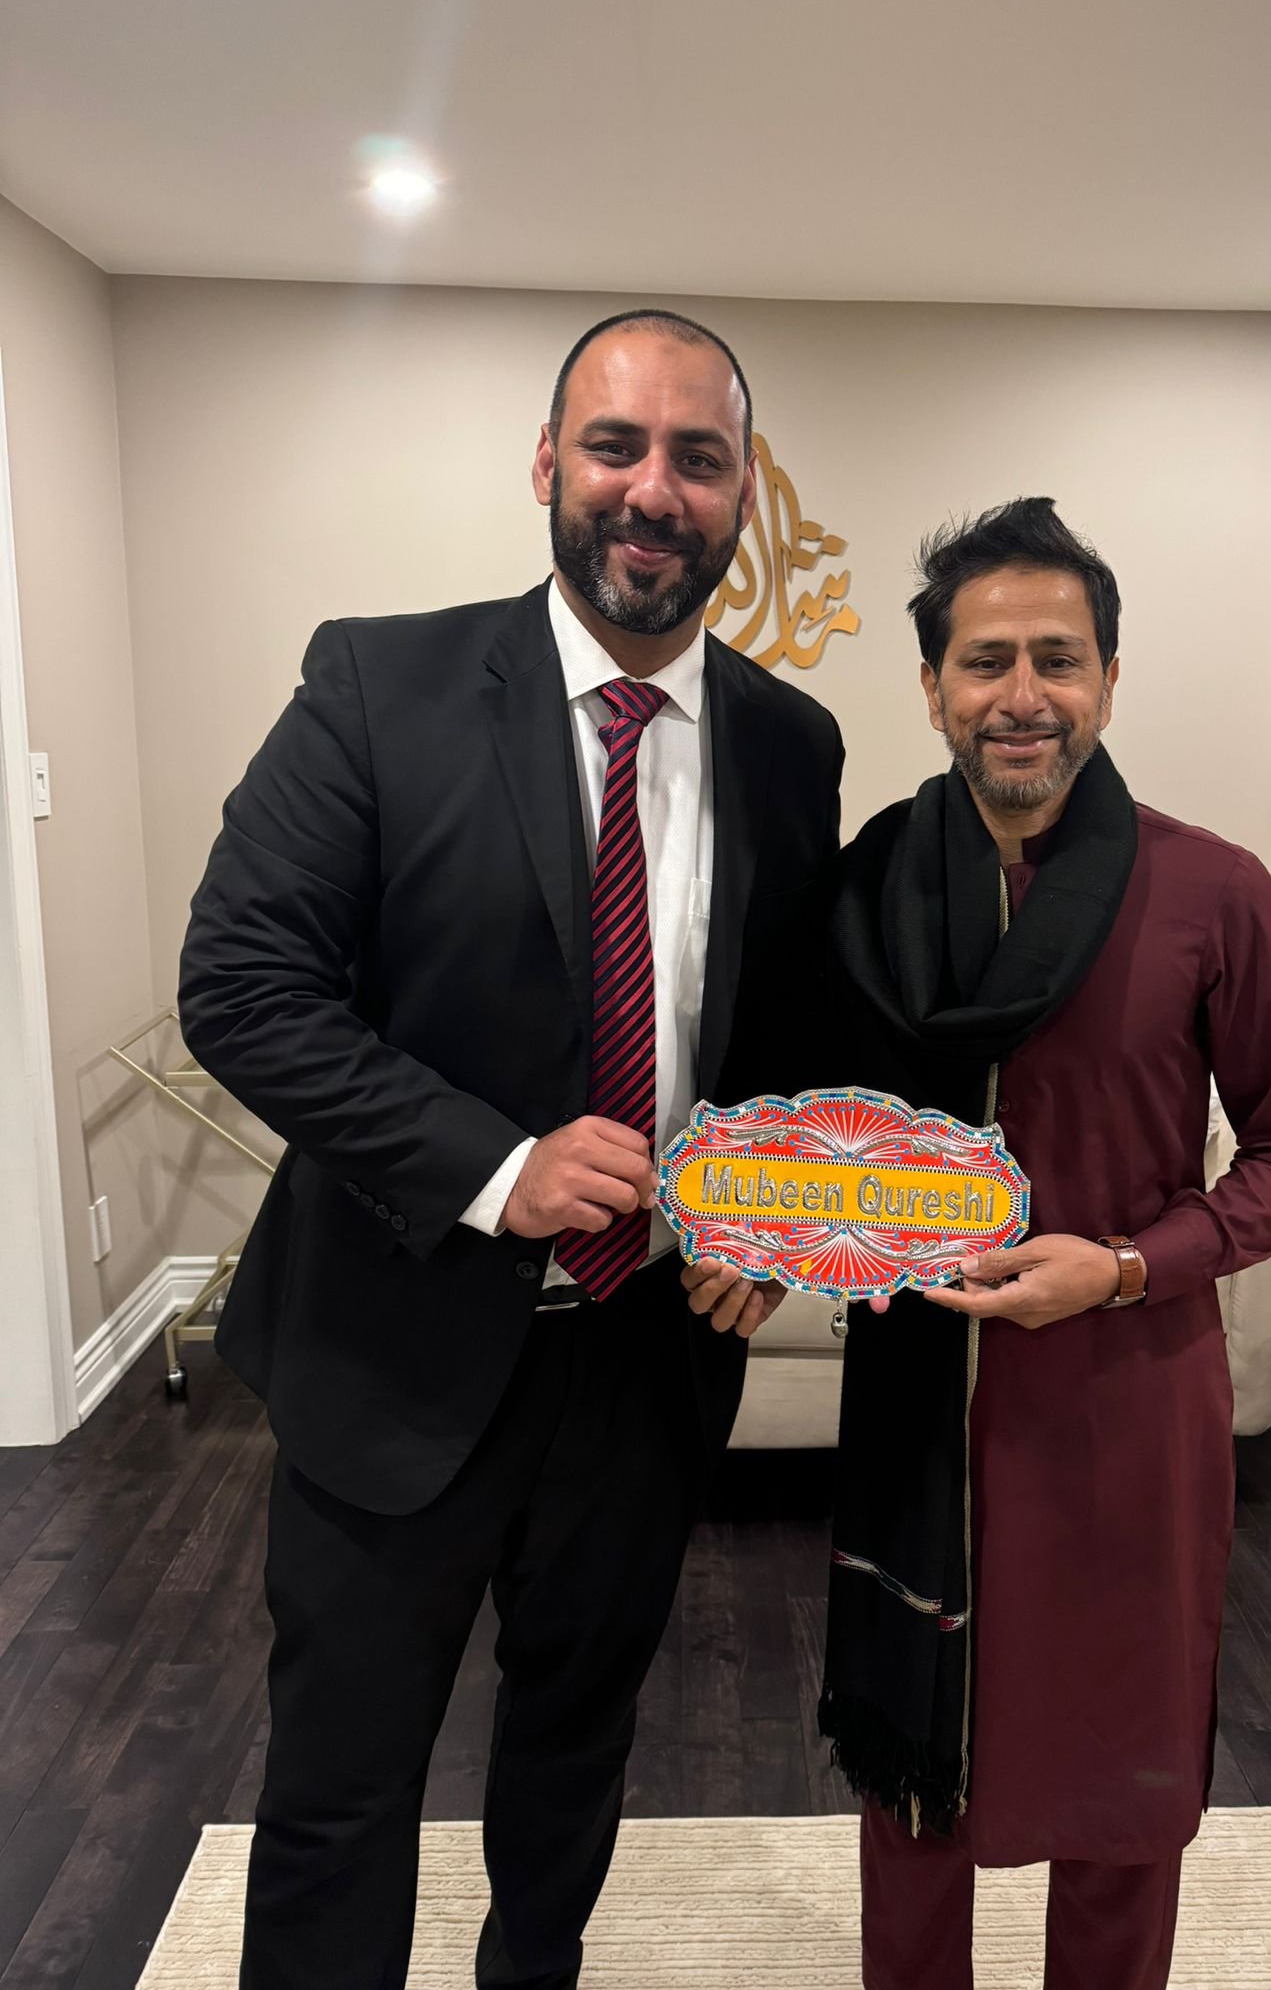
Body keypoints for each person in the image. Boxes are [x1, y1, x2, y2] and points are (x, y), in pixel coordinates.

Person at [177, 308, 842, 1990]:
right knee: (342, 1789)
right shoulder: (376, 685)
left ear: (743, 490)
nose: (654, 490)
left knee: (573, 1752)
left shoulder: (791, 744)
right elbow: (242, 989)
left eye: (698, 458)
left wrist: (769, 1217)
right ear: (548, 463)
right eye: (616, 446)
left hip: (645, 1366)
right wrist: (497, 1170)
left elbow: (776, 1031)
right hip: (392, 1348)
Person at [819, 498, 1271, 1989]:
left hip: (1124, 1398)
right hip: (919, 1392)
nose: (1022, 695)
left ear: (1110, 680)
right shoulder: (866, 885)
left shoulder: (1212, 891)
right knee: (915, 1769)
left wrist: (1121, 1267)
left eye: (1058, 658)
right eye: (985, 661)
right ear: (932, 688)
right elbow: (807, 1123)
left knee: (1122, 1772)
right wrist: (751, 1232)